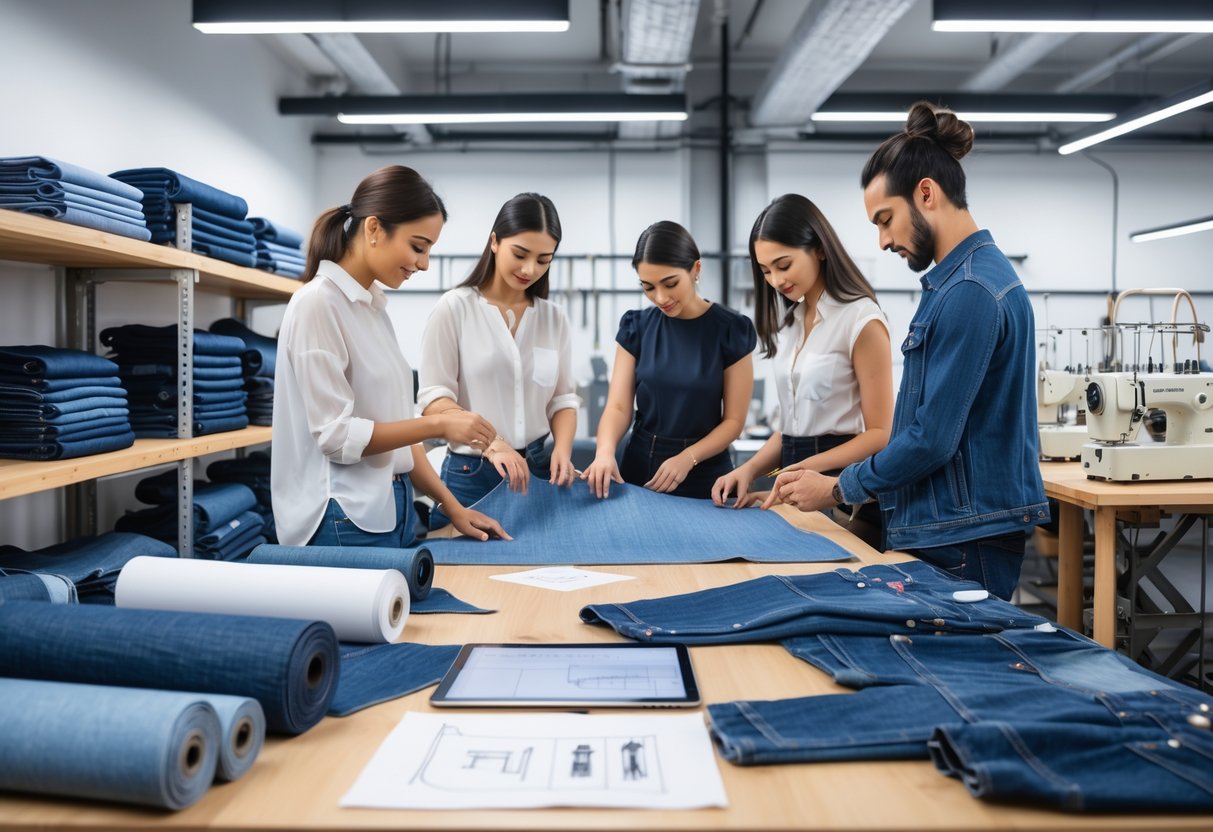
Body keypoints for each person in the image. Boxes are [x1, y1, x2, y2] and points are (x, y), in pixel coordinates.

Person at [764, 102, 1048, 599]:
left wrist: (836, 487)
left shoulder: (970, 292)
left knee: (954, 672)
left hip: (962, 538)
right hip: (953, 529)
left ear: (926, 193)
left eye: (886, 219)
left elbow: (931, 438)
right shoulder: (959, 284)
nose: (883, 239)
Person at [271, 164, 510, 548]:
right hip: (340, 514)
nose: (424, 263)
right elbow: (336, 437)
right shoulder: (317, 304)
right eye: (418, 246)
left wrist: (452, 507)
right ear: (374, 229)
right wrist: (439, 426)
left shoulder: (373, 308)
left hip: (388, 506)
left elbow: (395, 431)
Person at [712, 194, 892, 550]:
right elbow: (793, 428)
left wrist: (804, 470)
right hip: (798, 488)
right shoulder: (790, 323)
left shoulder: (861, 319)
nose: (775, 280)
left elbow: (880, 435)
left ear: (820, 250)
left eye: (783, 264)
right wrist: (750, 471)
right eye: (765, 271)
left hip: (845, 495)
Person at [418, 193, 580, 528]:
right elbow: (434, 401)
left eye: (543, 259)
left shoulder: (554, 318)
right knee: (468, 575)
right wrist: (493, 442)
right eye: (519, 254)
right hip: (471, 472)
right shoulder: (454, 308)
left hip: (537, 470)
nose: (529, 269)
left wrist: (562, 450)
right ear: (494, 241)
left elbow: (562, 399)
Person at [582, 221, 756, 499]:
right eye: (648, 287)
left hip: (704, 473)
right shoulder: (635, 326)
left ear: (696, 270)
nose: (660, 297)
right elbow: (617, 406)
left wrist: (688, 458)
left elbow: (734, 421)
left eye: (670, 283)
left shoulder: (731, 329)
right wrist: (604, 452)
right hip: (639, 467)